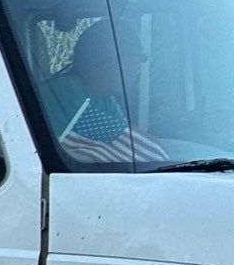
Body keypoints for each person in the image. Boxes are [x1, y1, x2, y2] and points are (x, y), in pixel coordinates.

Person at [52, 21, 167, 164]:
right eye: (134, 57)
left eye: (140, 58)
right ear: (104, 58)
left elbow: (123, 137)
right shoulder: (65, 92)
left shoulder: (105, 97)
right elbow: (124, 142)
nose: (137, 67)